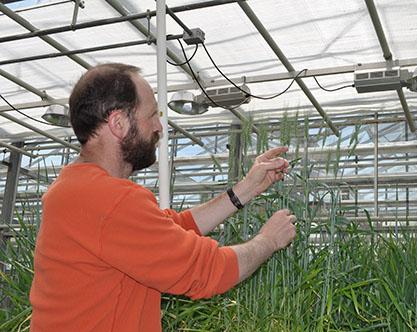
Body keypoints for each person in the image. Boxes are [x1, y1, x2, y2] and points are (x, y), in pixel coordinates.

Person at [29, 63, 296, 331]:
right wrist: (269, 240)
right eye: (151, 115)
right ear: (118, 123)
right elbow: (207, 271)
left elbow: (171, 227)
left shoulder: (74, 188)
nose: (159, 127)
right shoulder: (107, 198)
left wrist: (247, 188)